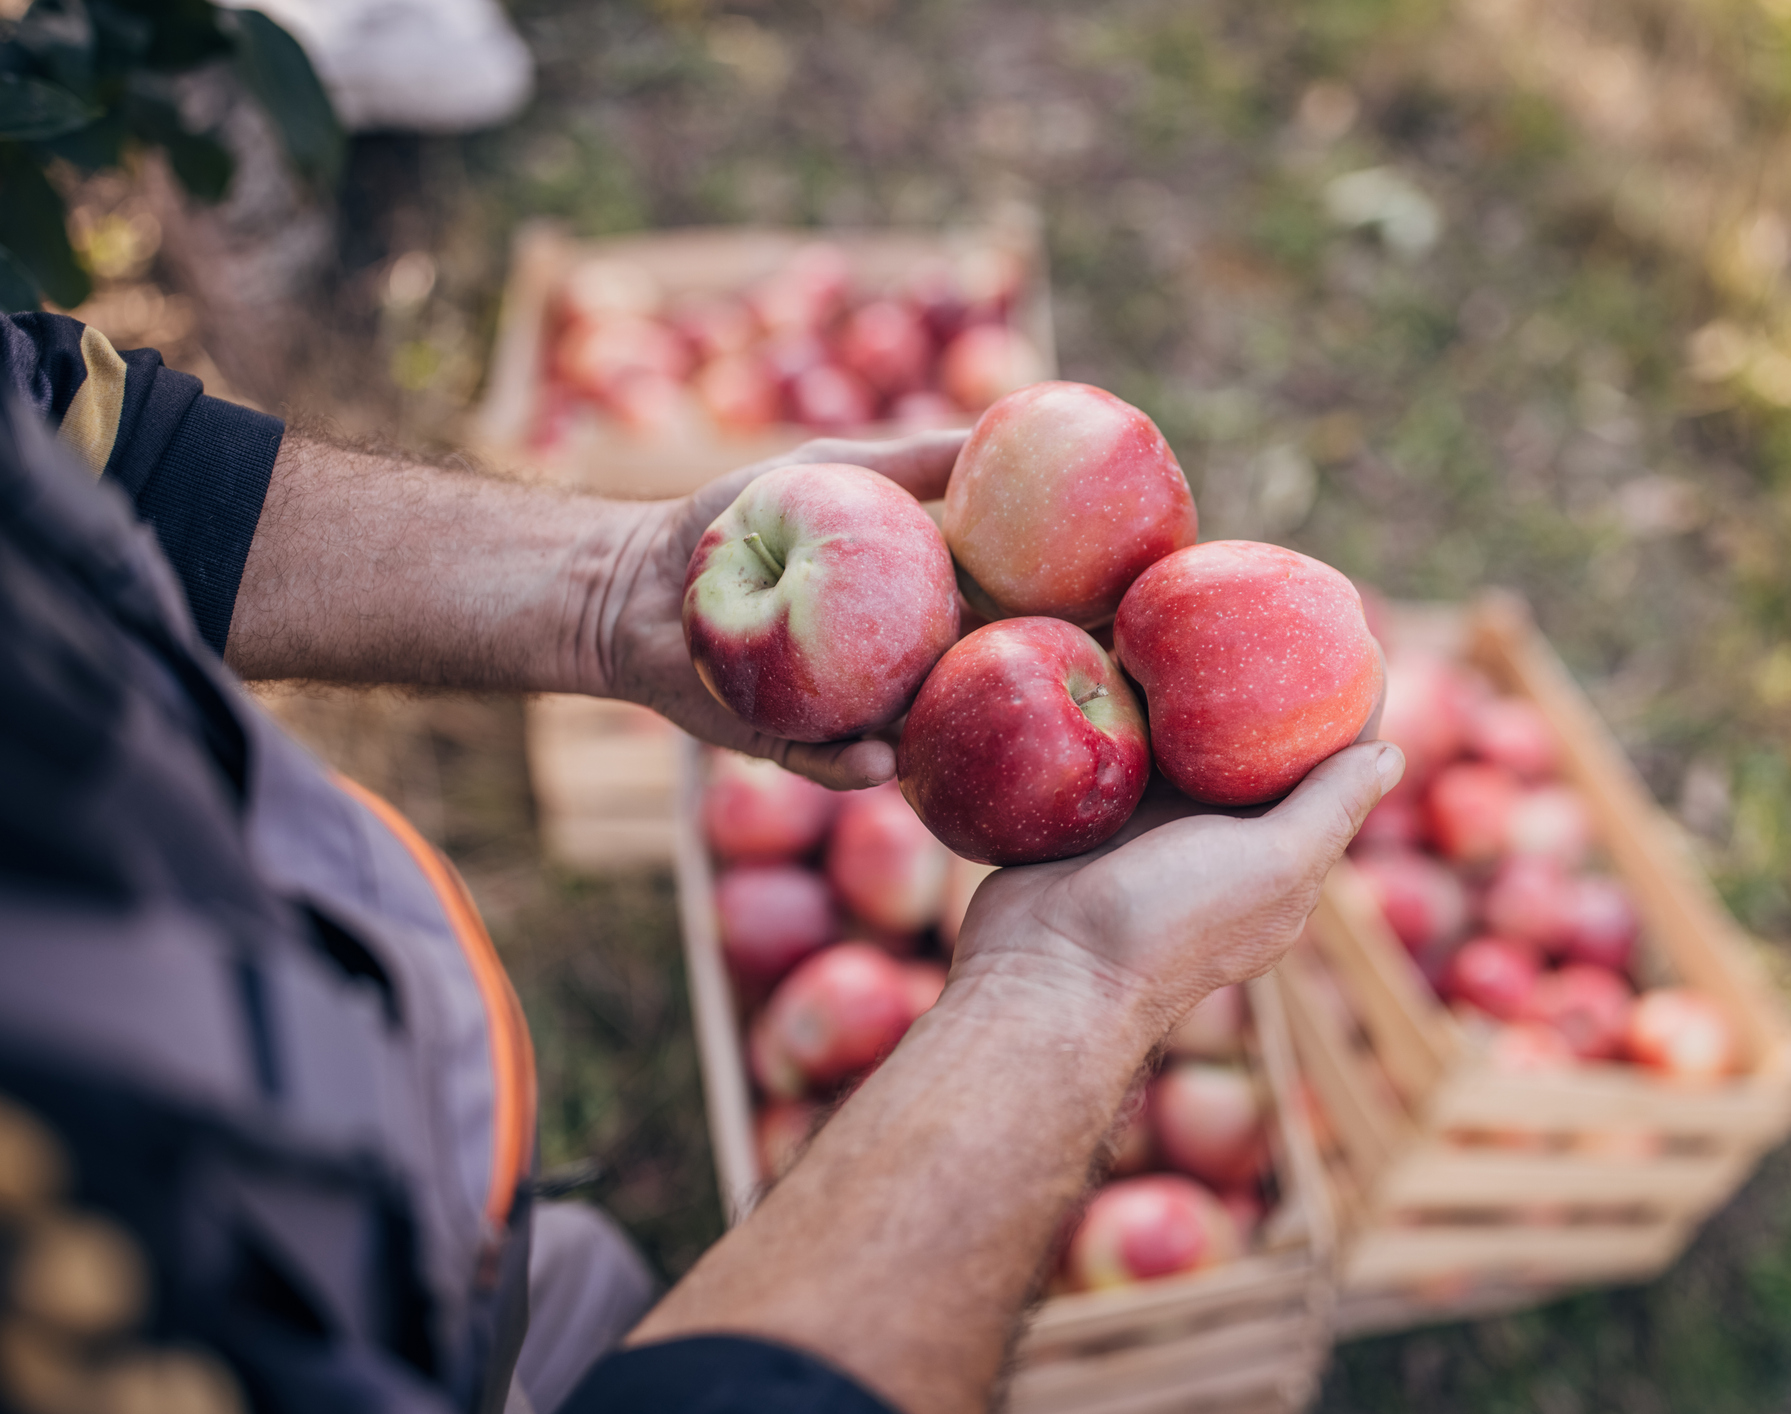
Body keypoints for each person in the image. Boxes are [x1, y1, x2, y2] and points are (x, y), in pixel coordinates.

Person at [0, 311, 1401, 1414]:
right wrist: (1071, 981)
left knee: (551, 1298)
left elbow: (76, 439)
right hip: (320, 1294)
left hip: (408, 1148)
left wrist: (613, 591)